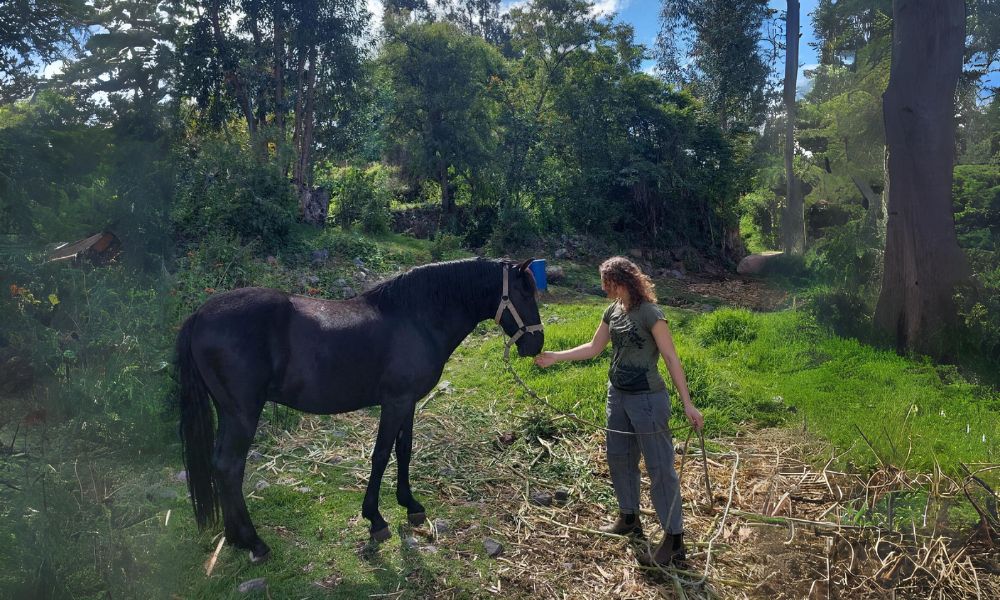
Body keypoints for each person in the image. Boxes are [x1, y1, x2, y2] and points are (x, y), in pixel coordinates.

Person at [534, 256, 704, 567]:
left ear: (620, 281)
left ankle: (674, 540)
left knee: (660, 468)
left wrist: (687, 403)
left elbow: (670, 357)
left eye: (606, 283)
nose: (603, 288)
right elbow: (593, 347)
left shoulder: (651, 314)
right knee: (619, 458)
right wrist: (555, 357)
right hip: (618, 397)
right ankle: (629, 517)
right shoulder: (612, 311)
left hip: (648, 401)